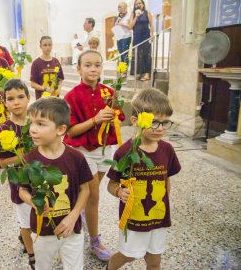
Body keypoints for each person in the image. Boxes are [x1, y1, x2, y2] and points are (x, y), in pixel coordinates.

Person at [105, 88, 181, 270]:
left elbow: (166, 180)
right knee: (127, 256)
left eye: (164, 122)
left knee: (154, 261)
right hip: (134, 219)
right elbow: (111, 184)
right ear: (135, 120)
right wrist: (118, 191)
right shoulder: (125, 152)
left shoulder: (167, 149)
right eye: (154, 122)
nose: (160, 128)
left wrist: (163, 202)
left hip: (158, 218)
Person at [63, 50, 125, 261]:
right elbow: (70, 131)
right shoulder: (71, 96)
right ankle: (95, 241)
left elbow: (119, 117)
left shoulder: (109, 91)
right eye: (87, 65)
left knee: (90, 192)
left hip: (105, 150)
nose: (93, 69)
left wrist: (115, 111)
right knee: (94, 196)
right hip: (83, 152)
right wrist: (95, 120)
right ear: (78, 68)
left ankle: (80, 210)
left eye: (97, 65)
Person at [19, 97, 92, 269]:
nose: (33, 130)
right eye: (32, 123)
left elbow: (85, 190)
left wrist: (73, 216)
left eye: (41, 124)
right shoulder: (28, 160)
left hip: (71, 229)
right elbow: (22, 191)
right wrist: (34, 203)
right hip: (42, 230)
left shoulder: (76, 158)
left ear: (60, 129)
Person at [0, 79, 35, 268]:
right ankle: (32, 254)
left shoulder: (37, 121)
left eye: (21, 97)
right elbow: (3, 163)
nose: (16, 102)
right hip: (20, 183)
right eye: (11, 98)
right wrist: (25, 156)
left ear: (29, 98)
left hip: (40, 179)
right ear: (5, 103)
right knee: (26, 223)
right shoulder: (5, 129)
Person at [129, 0, 154, 81]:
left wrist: (152, 35)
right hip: (136, 36)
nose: (138, 5)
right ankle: (140, 73)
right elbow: (130, 26)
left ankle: (147, 73)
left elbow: (151, 25)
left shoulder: (147, 13)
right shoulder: (133, 14)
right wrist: (136, 17)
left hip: (145, 36)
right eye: (136, 4)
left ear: (143, 4)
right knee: (137, 54)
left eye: (140, 3)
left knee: (146, 54)